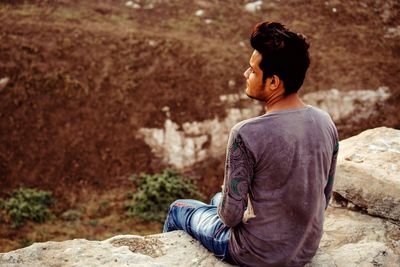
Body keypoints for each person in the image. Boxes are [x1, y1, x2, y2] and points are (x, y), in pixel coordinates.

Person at [163, 21, 339, 267]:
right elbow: (325, 196)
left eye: (253, 70)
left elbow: (230, 217)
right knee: (215, 198)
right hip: (305, 247)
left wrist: (230, 190)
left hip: (255, 252)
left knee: (179, 208)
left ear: (274, 82)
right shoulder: (325, 121)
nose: (246, 74)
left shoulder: (246, 133)